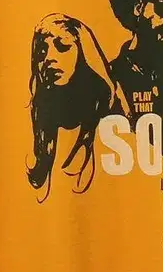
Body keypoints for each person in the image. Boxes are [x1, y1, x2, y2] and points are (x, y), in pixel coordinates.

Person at [26, 14, 126, 201]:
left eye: (62, 46)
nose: (49, 58)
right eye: (41, 51)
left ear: (84, 55)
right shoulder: (36, 128)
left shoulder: (113, 124)